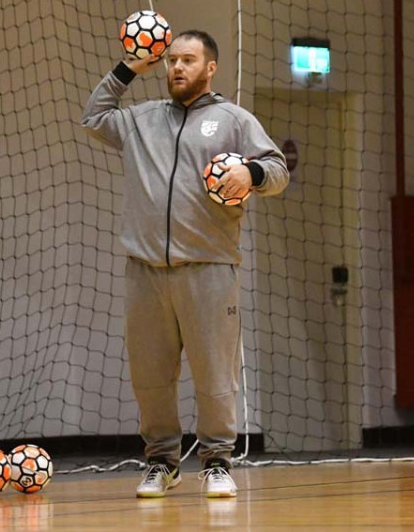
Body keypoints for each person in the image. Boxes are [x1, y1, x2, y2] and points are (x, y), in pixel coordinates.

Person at [81, 30, 289, 498]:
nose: (177, 67)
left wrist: (250, 173)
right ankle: (161, 462)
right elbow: (94, 118)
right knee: (150, 377)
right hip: (145, 271)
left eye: (188, 60)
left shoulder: (235, 120)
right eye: (172, 60)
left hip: (210, 269)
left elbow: (278, 171)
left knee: (215, 374)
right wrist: (130, 67)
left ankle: (217, 462)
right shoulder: (141, 120)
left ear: (210, 67)